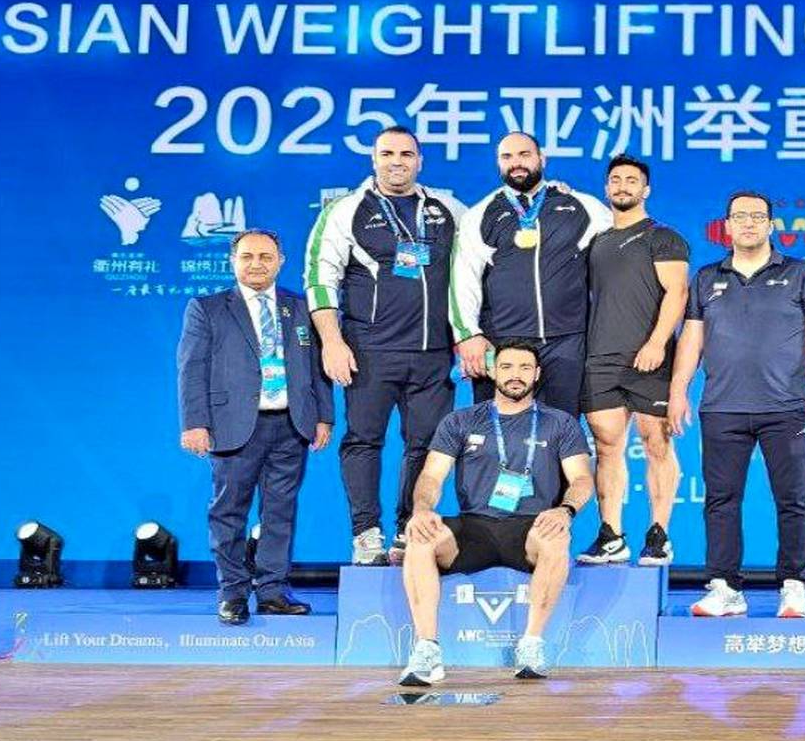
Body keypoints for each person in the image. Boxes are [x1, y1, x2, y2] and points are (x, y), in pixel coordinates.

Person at [668, 192, 805, 619]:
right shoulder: (707, 278)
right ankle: (725, 587)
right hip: (722, 408)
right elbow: (691, 339)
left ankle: (794, 585)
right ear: (727, 225)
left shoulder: (801, 274)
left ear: (770, 224)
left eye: (757, 216)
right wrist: (678, 390)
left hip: (784, 407)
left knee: (794, 499)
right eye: (740, 216)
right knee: (721, 500)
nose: (748, 223)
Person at [303, 126, 465, 567]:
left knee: (426, 445)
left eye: (406, 154)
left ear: (420, 160)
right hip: (371, 351)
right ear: (374, 160)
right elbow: (320, 278)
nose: (397, 161)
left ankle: (410, 529)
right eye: (388, 153)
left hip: (433, 354)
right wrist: (332, 341)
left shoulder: (447, 208)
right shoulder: (345, 210)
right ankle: (366, 534)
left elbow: (486, 250)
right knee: (364, 441)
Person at [398, 339, 595, 685]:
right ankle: (427, 649)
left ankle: (531, 645)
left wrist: (565, 510)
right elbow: (431, 476)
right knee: (420, 538)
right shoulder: (461, 420)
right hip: (474, 527)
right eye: (506, 367)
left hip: (531, 528)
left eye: (524, 368)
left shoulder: (559, 423)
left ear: (537, 374)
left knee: (556, 538)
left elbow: (581, 478)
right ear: (492, 371)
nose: (515, 375)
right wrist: (423, 509)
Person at [177, 230, 334, 625]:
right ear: (233, 262)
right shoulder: (208, 308)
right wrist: (195, 423)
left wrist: (324, 415)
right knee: (228, 513)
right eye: (247, 256)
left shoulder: (301, 308)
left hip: (291, 424)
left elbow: (317, 367)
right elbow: (192, 369)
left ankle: (272, 591)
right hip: (232, 425)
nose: (256, 264)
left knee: (280, 513)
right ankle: (232, 593)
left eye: (266, 256)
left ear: (281, 261)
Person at [449, 132, 611, 419]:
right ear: (498, 163)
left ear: (541, 159)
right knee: (499, 430)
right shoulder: (480, 214)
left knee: (562, 428)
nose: (516, 163)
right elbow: (463, 278)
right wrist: (469, 335)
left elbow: (622, 242)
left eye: (525, 154)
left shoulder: (581, 205)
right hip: (503, 342)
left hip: (566, 342)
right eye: (507, 157)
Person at [577, 155, 689, 567]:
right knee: (607, 446)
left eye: (632, 180)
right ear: (607, 188)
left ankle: (659, 534)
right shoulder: (596, 242)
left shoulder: (663, 237)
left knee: (656, 441)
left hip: (649, 357)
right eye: (616, 179)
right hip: (601, 358)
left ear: (646, 190)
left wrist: (657, 343)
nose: (623, 185)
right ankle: (611, 535)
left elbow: (677, 293)